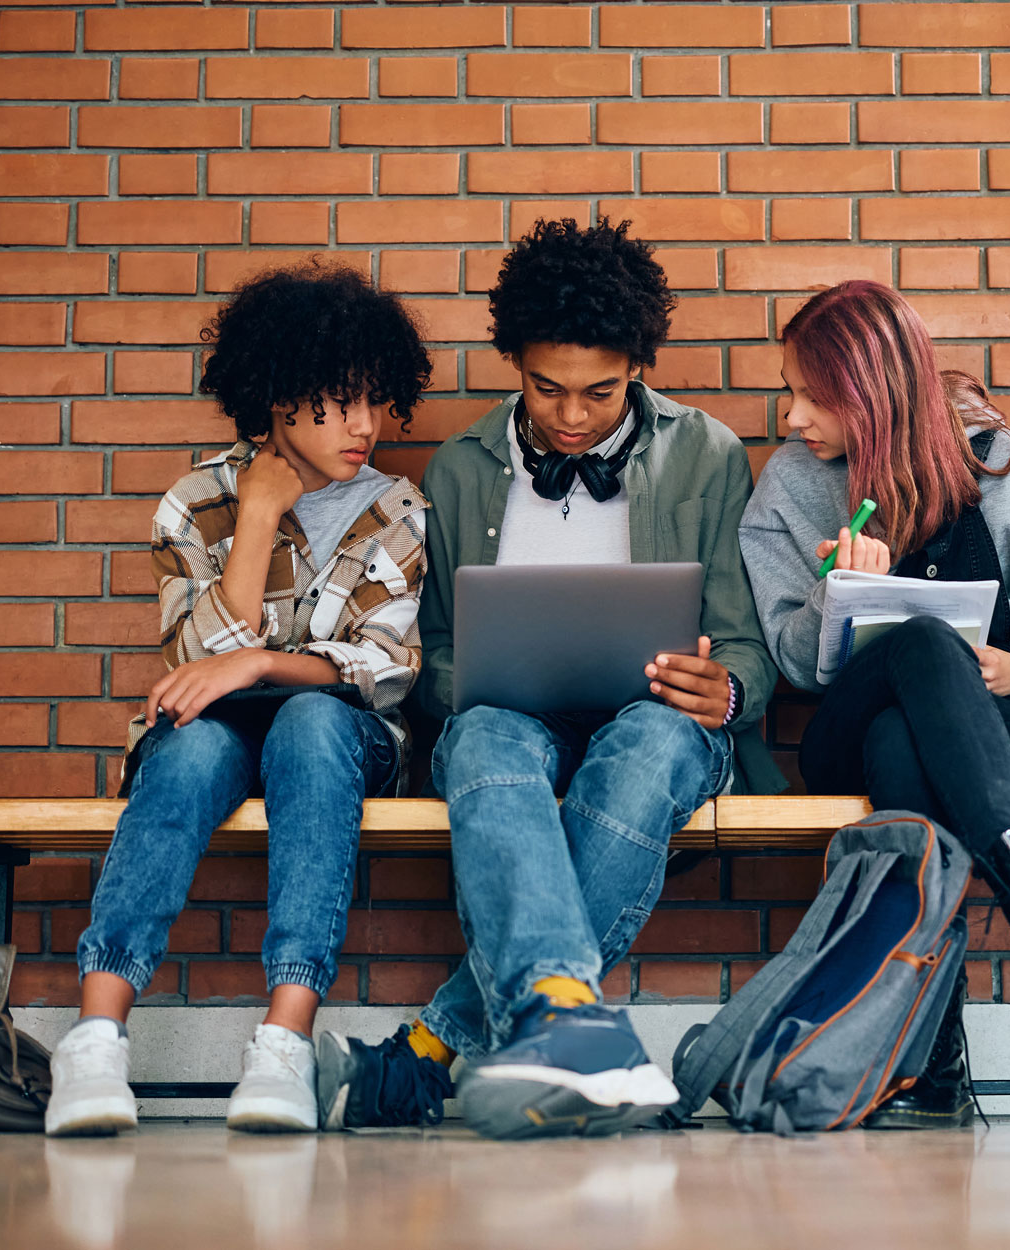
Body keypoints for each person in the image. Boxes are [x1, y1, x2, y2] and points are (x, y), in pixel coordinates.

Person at [316, 217, 781, 1141]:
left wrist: (722, 693)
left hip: (657, 722)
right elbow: (433, 655)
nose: (571, 416)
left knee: (647, 741)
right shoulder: (459, 469)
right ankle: (567, 1029)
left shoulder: (707, 454)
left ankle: (440, 1050)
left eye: (600, 393)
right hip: (512, 720)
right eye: (546, 389)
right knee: (482, 732)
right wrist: (478, 676)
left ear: (640, 367)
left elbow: (745, 647)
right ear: (512, 365)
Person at [41, 265, 434, 1137]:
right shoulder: (198, 503)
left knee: (310, 721)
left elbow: (380, 669)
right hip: (215, 730)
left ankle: (284, 1042)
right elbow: (193, 671)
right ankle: (96, 1038)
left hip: (340, 733)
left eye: (374, 401)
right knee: (184, 747)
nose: (363, 426)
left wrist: (256, 662)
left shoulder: (400, 509)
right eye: (335, 403)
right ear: (277, 396)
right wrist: (256, 517)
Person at [740, 279, 1010, 1130]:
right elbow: (792, 662)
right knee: (916, 642)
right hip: (841, 727)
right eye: (790, 390)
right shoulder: (792, 487)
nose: (791, 415)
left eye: (811, 395)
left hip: (992, 726)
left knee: (907, 746)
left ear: (869, 393)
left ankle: (935, 1046)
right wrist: (837, 593)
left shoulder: (1005, 466)